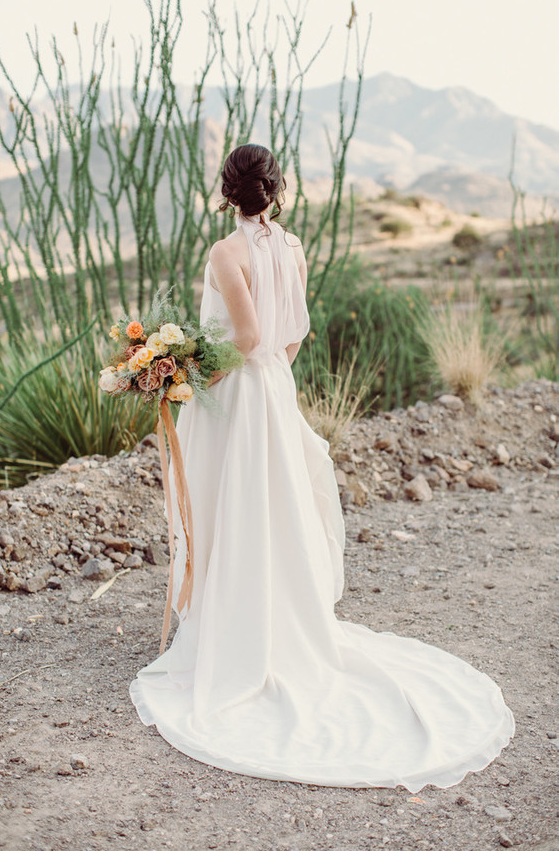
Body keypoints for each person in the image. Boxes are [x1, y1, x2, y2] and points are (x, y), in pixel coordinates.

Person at [129, 143, 514, 790]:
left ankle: (235, 630)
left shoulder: (227, 253)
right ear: (275, 193)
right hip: (275, 387)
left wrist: (187, 368)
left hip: (239, 394)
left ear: (227, 193)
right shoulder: (295, 247)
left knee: (236, 502)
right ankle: (273, 619)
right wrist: (266, 368)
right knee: (272, 505)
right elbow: (292, 333)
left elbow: (245, 339)